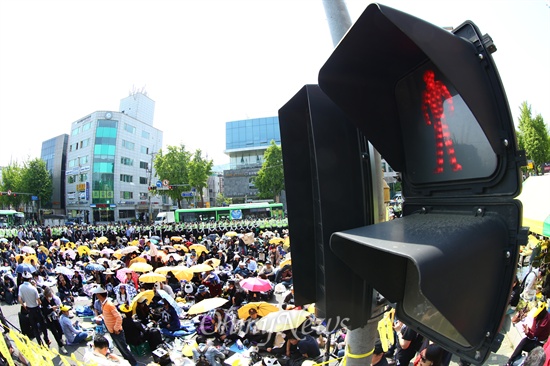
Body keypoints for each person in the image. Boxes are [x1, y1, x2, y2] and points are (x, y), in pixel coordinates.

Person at [94, 287, 137, 366]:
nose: (96, 296)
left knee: (124, 349)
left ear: (100, 295)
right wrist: (101, 316)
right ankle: (127, 362)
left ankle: (133, 363)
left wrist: (116, 328)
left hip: (116, 331)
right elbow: (108, 314)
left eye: (97, 294)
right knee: (120, 348)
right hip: (111, 331)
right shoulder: (103, 304)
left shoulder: (109, 304)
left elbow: (119, 317)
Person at [18, 270, 46, 345]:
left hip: (29, 309)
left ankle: (40, 343)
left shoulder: (21, 287)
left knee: (34, 328)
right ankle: (46, 339)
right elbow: (39, 301)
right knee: (42, 324)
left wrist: (24, 306)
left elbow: (19, 299)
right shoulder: (33, 288)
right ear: (30, 279)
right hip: (36, 308)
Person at [40, 287, 68, 354]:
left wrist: (56, 310)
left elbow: (54, 305)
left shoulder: (52, 299)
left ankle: (60, 339)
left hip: (54, 316)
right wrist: (52, 309)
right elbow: (44, 312)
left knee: (60, 329)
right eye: (50, 295)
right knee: (55, 333)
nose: (51, 296)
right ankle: (61, 346)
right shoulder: (43, 301)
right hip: (49, 319)